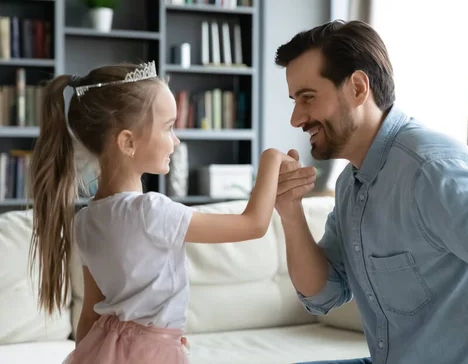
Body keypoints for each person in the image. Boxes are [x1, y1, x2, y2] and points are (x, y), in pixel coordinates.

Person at [273, 20, 468, 364]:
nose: (295, 118)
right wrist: (290, 211)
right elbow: (324, 293)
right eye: (295, 101)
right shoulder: (351, 182)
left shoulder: (432, 172)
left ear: (358, 88)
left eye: (307, 98)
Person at [28, 61, 316, 364]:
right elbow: (253, 225)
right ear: (128, 142)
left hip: (102, 351)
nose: (176, 140)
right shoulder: (151, 212)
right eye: (168, 128)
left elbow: (90, 313)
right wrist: (271, 159)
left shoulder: (84, 221)